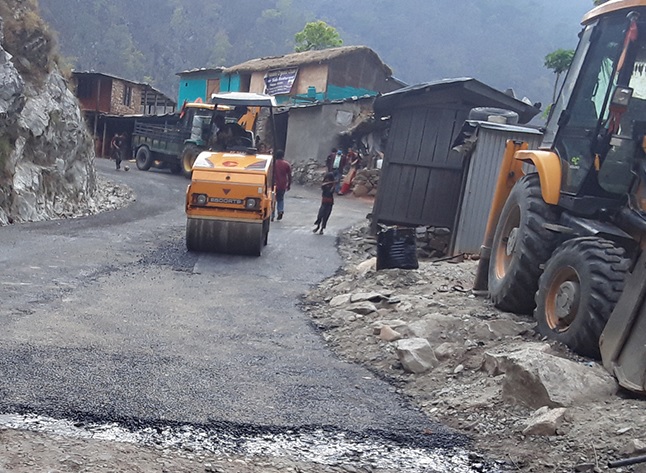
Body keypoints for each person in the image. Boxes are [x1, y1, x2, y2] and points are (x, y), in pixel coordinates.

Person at [272, 149, 291, 221]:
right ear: (283, 156)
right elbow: (289, 176)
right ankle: (280, 210)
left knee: (272, 200)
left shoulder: (273, 163)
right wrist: (288, 184)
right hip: (282, 184)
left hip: (273, 184)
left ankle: (272, 215)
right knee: (280, 199)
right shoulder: (286, 164)